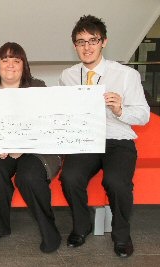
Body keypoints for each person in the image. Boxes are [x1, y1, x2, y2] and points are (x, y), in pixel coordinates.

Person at [59, 15, 150, 258]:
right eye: (81, 42)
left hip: (117, 138)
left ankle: (121, 235)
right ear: (74, 46)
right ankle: (82, 225)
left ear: (104, 42)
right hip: (86, 140)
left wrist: (121, 110)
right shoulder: (67, 76)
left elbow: (143, 115)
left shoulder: (125, 75)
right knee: (69, 177)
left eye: (93, 40)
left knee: (117, 182)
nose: (87, 47)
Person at [0, 42, 62, 253]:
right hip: (1, 151)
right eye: (5, 60)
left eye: (16, 60)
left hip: (35, 149)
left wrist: (23, 146)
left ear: (24, 65)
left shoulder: (38, 87)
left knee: (29, 176)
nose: (10, 65)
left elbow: (48, 124)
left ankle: (49, 229)